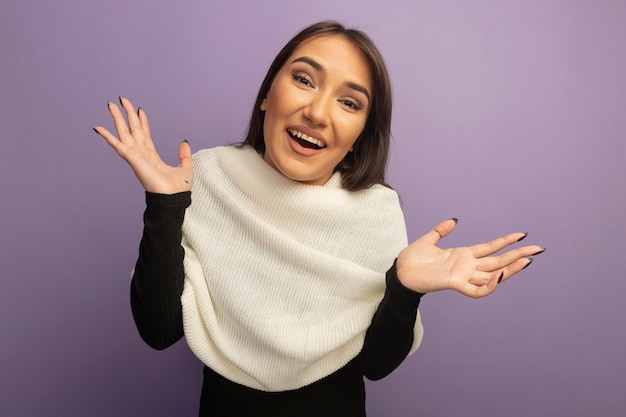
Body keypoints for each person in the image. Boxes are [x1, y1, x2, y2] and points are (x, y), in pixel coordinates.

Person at [92, 20, 544, 417]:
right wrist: (165, 204)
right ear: (268, 94)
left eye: (350, 103)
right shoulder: (203, 177)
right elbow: (158, 331)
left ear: (360, 134)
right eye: (304, 79)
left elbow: (377, 366)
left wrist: (404, 288)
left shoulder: (376, 209)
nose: (318, 112)